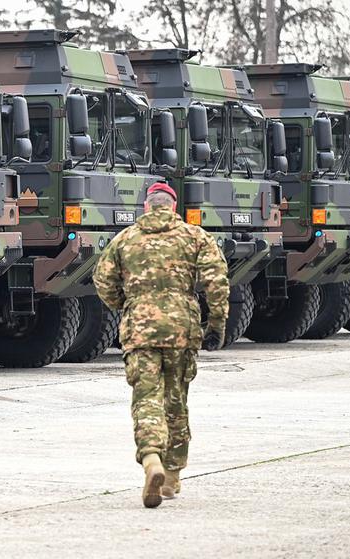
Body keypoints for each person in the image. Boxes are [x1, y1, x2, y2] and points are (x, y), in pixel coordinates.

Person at [93, 182, 229, 508]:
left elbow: (102, 280)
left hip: (139, 331)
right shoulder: (194, 237)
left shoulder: (125, 239)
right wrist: (216, 324)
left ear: (146, 207)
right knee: (176, 400)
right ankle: (171, 475)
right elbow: (217, 280)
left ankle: (151, 457)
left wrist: (128, 305)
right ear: (173, 206)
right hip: (182, 330)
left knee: (146, 398)